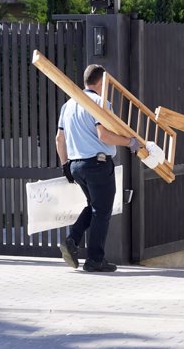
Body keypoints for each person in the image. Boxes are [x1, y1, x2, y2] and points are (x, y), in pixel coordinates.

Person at [55, 64, 140, 272]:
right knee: (102, 211)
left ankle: (72, 241)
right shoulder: (100, 104)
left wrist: (65, 165)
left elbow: (59, 139)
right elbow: (103, 135)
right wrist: (130, 142)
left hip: (76, 165)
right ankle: (95, 259)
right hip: (98, 164)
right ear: (101, 82)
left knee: (94, 206)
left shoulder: (68, 105)